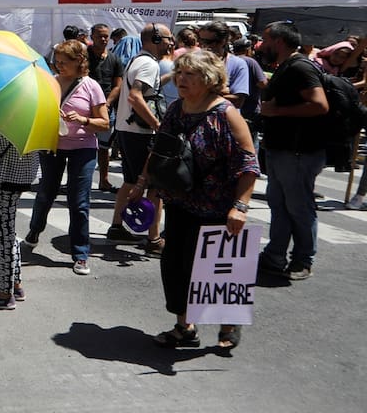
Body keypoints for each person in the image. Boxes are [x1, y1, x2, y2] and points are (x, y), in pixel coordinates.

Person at [137, 49, 258, 350]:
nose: (181, 79)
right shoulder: (177, 109)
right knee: (176, 265)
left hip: (217, 206)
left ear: (209, 79)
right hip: (180, 201)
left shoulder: (227, 114)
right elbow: (160, 148)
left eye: (189, 74)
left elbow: (248, 164)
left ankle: (228, 325)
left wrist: (240, 206)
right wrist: (142, 182)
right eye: (179, 73)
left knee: (217, 268)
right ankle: (184, 327)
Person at [24, 40, 109, 275]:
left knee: (79, 201)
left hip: (83, 147)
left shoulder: (91, 86)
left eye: (64, 62)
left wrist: (84, 120)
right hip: (52, 145)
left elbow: (104, 123)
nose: (59, 66)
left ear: (79, 62)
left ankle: (80, 253)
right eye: (57, 61)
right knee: (45, 194)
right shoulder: (50, 82)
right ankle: (34, 232)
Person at [256, 20, 329, 281]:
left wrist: (276, 111)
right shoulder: (288, 66)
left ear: (278, 41)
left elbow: (320, 105)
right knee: (279, 204)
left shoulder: (299, 67)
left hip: (298, 151)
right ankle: (275, 255)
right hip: (283, 149)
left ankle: (302, 260)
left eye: (265, 40)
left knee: (299, 206)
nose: (262, 45)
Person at [107, 24, 174, 251]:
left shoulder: (140, 60)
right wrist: (157, 125)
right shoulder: (147, 63)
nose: (171, 43)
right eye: (167, 38)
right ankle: (154, 239)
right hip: (140, 132)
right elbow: (136, 96)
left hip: (128, 130)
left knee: (130, 180)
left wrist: (172, 76)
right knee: (154, 186)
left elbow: (146, 88)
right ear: (155, 39)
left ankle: (117, 227)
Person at [0, 118, 42, 310]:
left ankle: (4, 293)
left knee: (3, 234)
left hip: (3, 175)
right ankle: (14, 284)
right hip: (23, 173)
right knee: (8, 229)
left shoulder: (5, 108)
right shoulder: (35, 110)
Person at [87, 23, 120, 192]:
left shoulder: (114, 59)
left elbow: (117, 85)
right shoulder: (84, 56)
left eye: (106, 36)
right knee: (82, 146)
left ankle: (104, 180)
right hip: (85, 109)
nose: (104, 39)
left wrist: (106, 104)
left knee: (104, 147)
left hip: (106, 110)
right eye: (100, 35)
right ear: (91, 36)